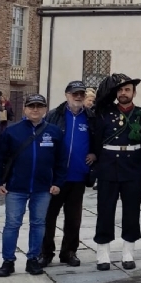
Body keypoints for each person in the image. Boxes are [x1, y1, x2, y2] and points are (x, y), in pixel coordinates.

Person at [0, 95, 67, 277]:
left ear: (45, 109)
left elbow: (61, 161)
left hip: (42, 188)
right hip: (16, 187)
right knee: (12, 224)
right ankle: (8, 261)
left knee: (38, 224)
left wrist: (58, 182)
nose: (35, 110)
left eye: (39, 106)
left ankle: (33, 258)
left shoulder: (55, 132)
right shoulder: (12, 131)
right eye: (31, 106)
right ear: (25, 109)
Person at [89, 73, 141, 271]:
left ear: (134, 92)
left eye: (127, 90)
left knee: (131, 212)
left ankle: (128, 252)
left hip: (132, 168)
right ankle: (103, 253)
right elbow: (97, 140)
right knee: (105, 211)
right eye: (121, 90)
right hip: (108, 168)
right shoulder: (104, 113)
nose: (124, 93)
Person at [40, 81, 95, 267]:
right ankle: (45, 252)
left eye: (81, 93)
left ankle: (69, 251)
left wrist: (95, 153)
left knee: (73, 218)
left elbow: (97, 139)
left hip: (78, 176)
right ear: (66, 95)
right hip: (55, 178)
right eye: (74, 93)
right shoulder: (54, 115)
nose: (78, 97)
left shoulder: (90, 117)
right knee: (48, 217)